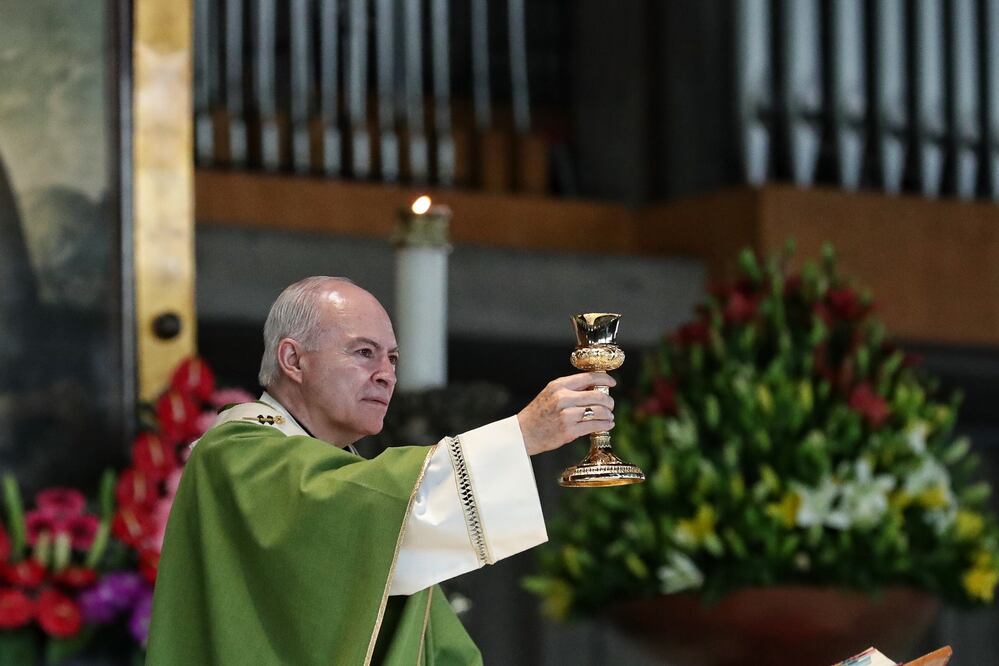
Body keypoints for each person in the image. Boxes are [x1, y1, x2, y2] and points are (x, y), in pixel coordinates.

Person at [146, 276, 616, 666]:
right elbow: (356, 504)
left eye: (392, 358)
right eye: (364, 352)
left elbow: (435, 642)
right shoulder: (238, 454)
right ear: (293, 360)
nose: (387, 374)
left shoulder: (347, 475)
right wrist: (521, 435)